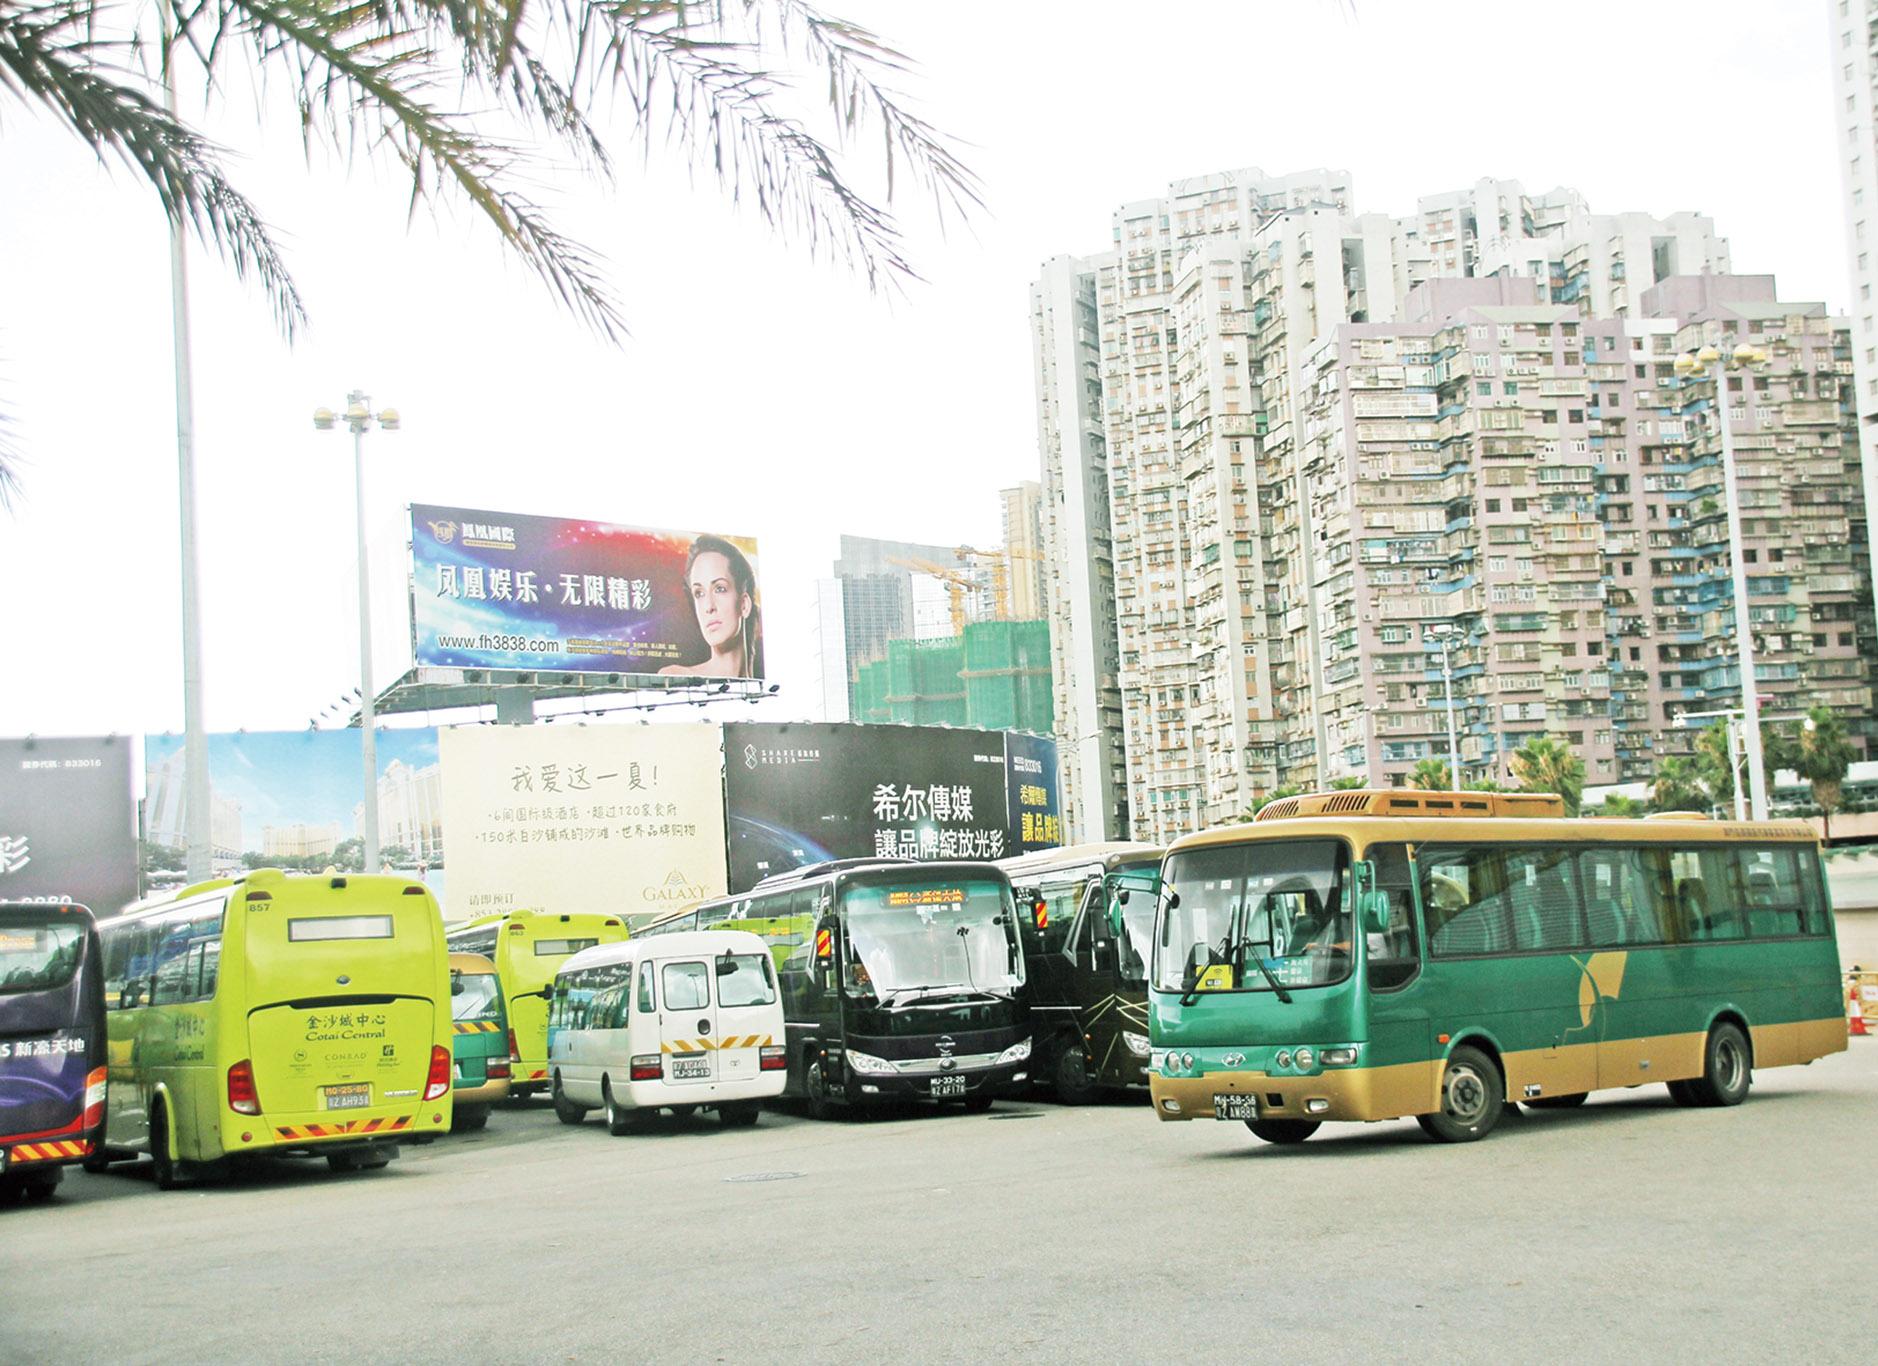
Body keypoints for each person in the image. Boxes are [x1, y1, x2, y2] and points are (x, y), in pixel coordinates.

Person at [659, 534, 764, 678]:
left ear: (744, 605)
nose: (709, 607)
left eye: (720, 588)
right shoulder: (676, 676)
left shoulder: (762, 686)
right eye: (699, 593)